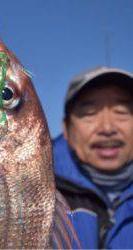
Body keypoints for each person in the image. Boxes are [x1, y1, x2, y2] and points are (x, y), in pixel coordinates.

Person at [53, 66, 133, 249]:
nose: (107, 128)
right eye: (89, 114)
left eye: (121, 112)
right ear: (67, 129)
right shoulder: (30, 195)